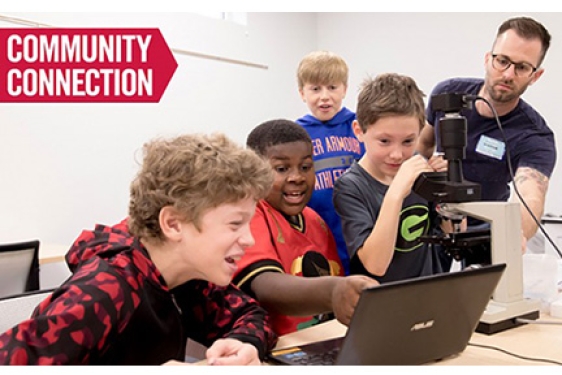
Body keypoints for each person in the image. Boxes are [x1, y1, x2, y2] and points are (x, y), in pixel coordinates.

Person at [0, 133, 277, 365]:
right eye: (235, 224)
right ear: (173, 224)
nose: (249, 239)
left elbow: (249, 314)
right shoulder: (105, 291)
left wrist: (245, 343)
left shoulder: (189, 276)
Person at [416, 16, 556, 261]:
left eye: (522, 67)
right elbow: (423, 145)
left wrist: (516, 235)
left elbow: (531, 195)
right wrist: (426, 169)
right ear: (488, 58)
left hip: (485, 236)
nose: (508, 74)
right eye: (502, 61)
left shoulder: (534, 135)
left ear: (536, 75)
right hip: (432, 226)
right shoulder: (447, 94)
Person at [232, 119, 378, 336]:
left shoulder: (315, 221)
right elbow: (263, 286)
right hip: (273, 350)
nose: (297, 177)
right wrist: (333, 291)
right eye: (281, 169)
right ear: (254, 172)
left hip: (321, 342)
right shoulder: (253, 214)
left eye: (306, 167)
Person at [333, 73, 450, 283]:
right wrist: (396, 192)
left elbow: (452, 231)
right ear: (359, 131)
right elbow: (376, 265)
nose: (397, 154)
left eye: (408, 141)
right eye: (384, 141)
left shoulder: (420, 169)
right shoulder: (350, 186)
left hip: (427, 293)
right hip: (381, 304)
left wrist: (447, 189)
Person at [296, 50, 365, 275]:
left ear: (344, 89)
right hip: (317, 230)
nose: (324, 96)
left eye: (332, 87)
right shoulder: (297, 134)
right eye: (315, 89)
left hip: (357, 227)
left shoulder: (359, 126)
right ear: (302, 93)